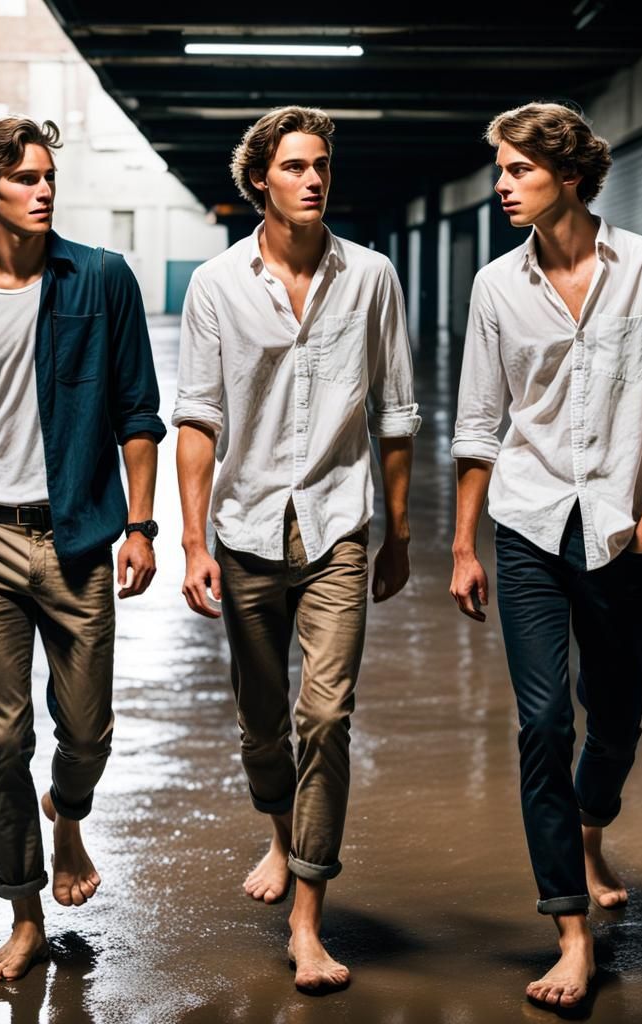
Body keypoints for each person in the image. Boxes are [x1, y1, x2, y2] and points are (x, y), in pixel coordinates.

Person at [449, 102, 642, 1008]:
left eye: (517, 170)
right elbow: (479, 425)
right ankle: (569, 929)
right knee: (544, 722)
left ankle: (594, 826)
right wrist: (463, 544)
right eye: (500, 170)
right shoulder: (495, 287)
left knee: (619, 715)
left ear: (566, 173)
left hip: (619, 529)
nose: (503, 186)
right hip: (526, 524)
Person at [0, 117, 165, 982]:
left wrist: (141, 524)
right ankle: (24, 914)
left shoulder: (102, 277)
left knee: (85, 731)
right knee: (2, 739)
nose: (43, 190)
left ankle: (70, 811)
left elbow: (137, 411)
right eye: (23, 179)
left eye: (49, 175)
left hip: (79, 535)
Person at [173, 106, 420, 992]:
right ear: (259, 182)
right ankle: (279, 834)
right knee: (263, 724)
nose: (313, 179)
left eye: (321, 165)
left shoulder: (373, 278)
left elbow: (395, 413)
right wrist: (193, 541)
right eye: (294, 166)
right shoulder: (216, 284)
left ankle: (308, 919)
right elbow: (197, 419)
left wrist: (396, 529)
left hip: (337, 526)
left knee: (326, 718)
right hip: (244, 532)